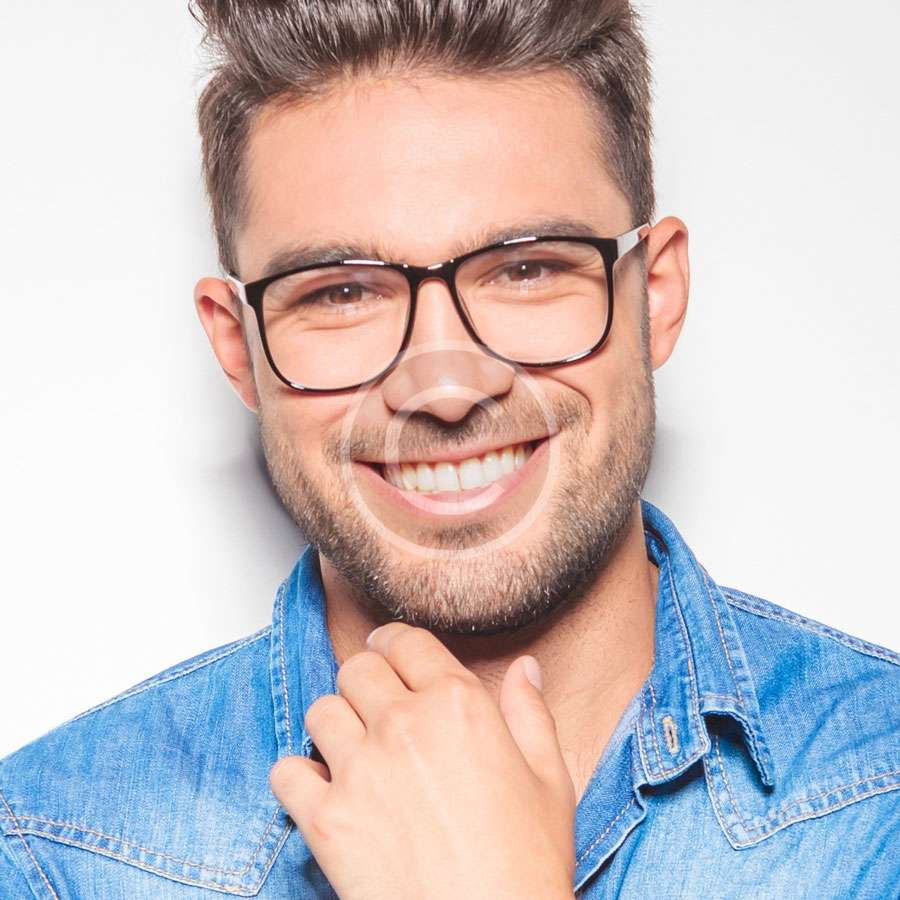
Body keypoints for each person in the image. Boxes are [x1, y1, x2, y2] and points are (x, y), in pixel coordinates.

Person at [1, 0, 897, 896]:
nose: (445, 386)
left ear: (656, 295)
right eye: (342, 292)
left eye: (527, 268)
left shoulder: (879, 804)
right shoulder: (51, 860)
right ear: (238, 348)